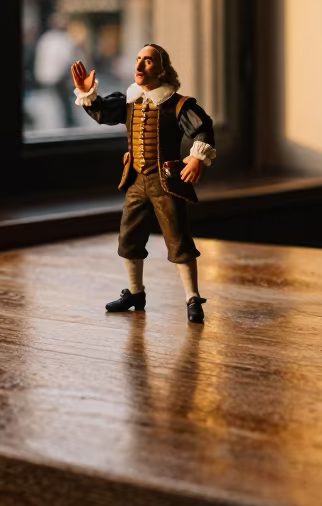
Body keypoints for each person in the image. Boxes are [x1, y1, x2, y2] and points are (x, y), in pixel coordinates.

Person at [71, 44, 216, 323]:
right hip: (137, 181)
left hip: (167, 183)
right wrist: (88, 93)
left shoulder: (177, 104)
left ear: (161, 69)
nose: (139, 66)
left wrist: (197, 159)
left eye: (147, 61)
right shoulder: (130, 100)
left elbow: (202, 129)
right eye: (138, 59)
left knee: (178, 240)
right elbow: (102, 113)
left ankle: (192, 297)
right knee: (129, 238)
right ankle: (136, 293)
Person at [33, 13, 78, 128]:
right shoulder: (63, 39)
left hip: (47, 77)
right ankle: (67, 124)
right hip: (58, 77)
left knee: (51, 104)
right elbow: (67, 59)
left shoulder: (46, 38)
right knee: (60, 105)